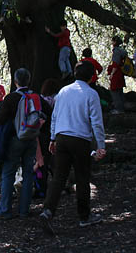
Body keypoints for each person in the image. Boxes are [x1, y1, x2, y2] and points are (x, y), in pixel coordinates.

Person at [39, 61, 106, 235]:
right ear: (92, 77)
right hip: (80, 139)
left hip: (61, 138)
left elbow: (54, 117)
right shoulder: (91, 94)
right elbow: (97, 122)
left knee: (59, 177)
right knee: (82, 177)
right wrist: (100, 146)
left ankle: (47, 211)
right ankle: (84, 216)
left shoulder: (63, 92)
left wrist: (52, 138)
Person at [0, 68, 40, 220]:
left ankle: (5, 209)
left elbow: (1, 119)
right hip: (31, 138)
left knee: (8, 173)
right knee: (28, 173)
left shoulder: (11, 98)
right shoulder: (35, 96)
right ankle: (24, 210)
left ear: (15, 81)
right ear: (29, 80)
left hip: (15, 139)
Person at [107, 36, 126, 114]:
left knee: (114, 91)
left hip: (116, 73)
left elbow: (115, 64)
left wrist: (112, 74)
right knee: (119, 90)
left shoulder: (116, 51)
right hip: (121, 73)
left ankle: (118, 109)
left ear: (115, 42)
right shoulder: (123, 51)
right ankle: (121, 108)